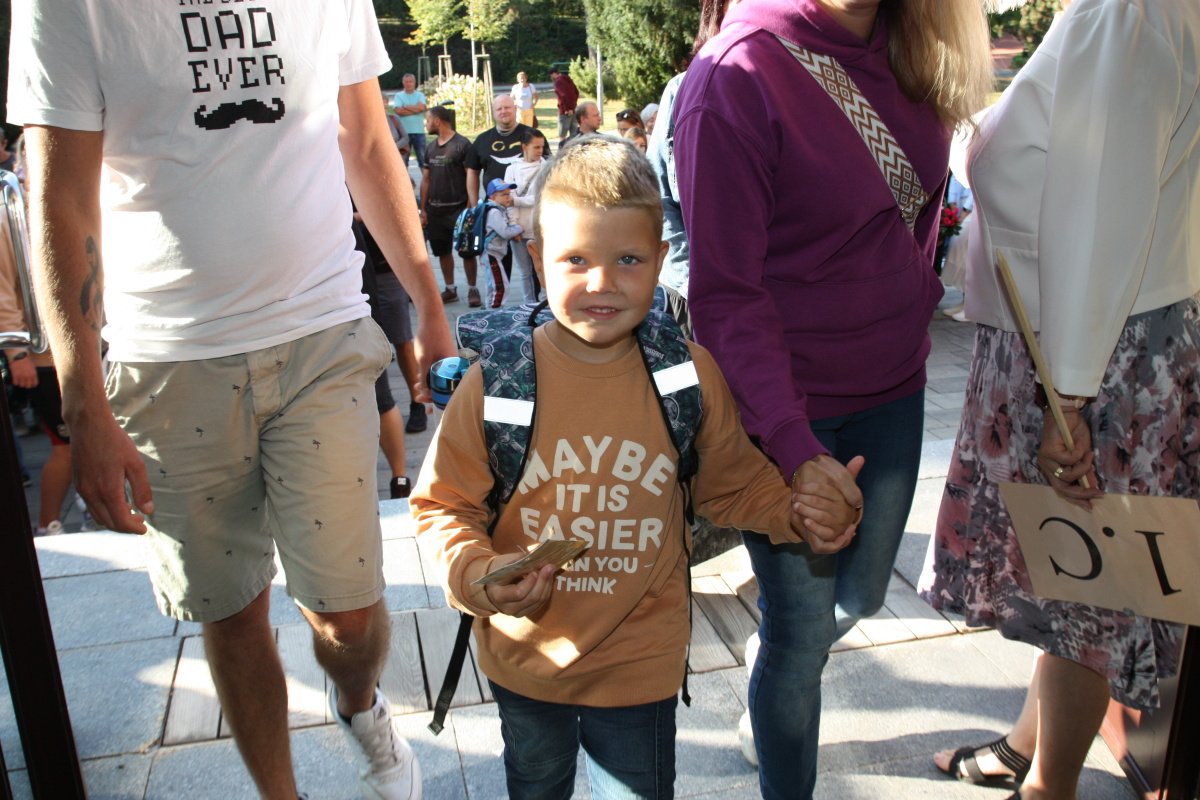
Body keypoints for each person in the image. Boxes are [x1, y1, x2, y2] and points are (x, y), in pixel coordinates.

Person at [9, 2, 458, 797]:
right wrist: (83, 403)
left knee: (349, 615)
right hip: (168, 356)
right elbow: (62, 194)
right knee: (233, 611)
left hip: (320, 331)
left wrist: (428, 300)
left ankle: (360, 707)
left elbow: (363, 138)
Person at [410, 134, 856, 800]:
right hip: (525, 658)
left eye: (627, 259)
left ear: (659, 261)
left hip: (641, 663)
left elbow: (735, 487)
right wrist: (477, 574)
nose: (602, 283)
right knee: (536, 782)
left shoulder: (688, 375)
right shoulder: (497, 384)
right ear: (537, 256)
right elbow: (443, 505)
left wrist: (801, 511)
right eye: (576, 259)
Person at [672, 1, 993, 797]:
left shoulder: (918, 44)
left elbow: (915, 217)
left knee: (864, 595)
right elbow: (725, 295)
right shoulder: (737, 75)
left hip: (896, 388)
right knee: (801, 633)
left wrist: (912, 296)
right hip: (789, 407)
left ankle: (780, 649)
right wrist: (791, 442)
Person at [919, 1, 1200, 798]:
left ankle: (1050, 786)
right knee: (1073, 574)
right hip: (1102, 338)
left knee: (1089, 584)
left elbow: (1099, 211)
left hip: (1091, 352)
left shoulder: (1127, 10)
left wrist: (1067, 398)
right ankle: (1030, 746)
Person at [650, 0, 741, 338]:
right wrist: (692, 281)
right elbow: (658, 198)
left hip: (784, 300)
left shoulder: (797, 92)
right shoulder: (682, 91)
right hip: (692, 296)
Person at [422, 105, 481, 307]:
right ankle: (450, 289)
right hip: (435, 211)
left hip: (459, 209)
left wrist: (470, 208)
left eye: (427, 120)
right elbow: (426, 180)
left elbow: (471, 177)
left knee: (467, 251)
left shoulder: (462, 145)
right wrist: (424, 209)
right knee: (442, 251)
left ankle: (473, 289)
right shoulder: (430, 148)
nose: (426, 124)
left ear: (437, 121)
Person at [502, 128, 548, 304]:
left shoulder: (546, 168)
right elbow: (508, 199)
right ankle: (529, 304)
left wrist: (517, 201)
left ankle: (545, 302)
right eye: (536, 147)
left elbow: (541, 198)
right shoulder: (512, 169)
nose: (540, 151)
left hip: (539, 228)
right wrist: (513, 226)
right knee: (525, 272)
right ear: (524, 147)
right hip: (519, 228)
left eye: (542, 147)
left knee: (543, 267)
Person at [480, 179, 524, 309]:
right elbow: (505, 232)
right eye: (504, 194)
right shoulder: (494, 212)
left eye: (509, 193)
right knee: (501, 287)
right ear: (492, 197)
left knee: (492, 285)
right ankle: (496, 313)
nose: (508, 197)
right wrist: (520, 227)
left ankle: (489, 312)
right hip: (491, 253)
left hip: (491, 253)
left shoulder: (497, 209)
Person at [392, 73, 428, 169]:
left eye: (410, 81)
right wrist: (416, 109)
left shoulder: (420, 95)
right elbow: (398, 111)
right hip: (404, 133)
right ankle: (405, 179)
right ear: (403, 83)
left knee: (423, 159)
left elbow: (422, 108)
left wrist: (406, 106)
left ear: (414, 82)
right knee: (403, 160)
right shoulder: (398, 96)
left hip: (419, 132)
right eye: (406, 82)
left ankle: (425, 179)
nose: (408, 84)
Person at [548, 67, 579, 144]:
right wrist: (573, 106)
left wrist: (567, 109)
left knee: (562, 135)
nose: (551, 78)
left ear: (554, 74)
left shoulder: (558, 82)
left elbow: (563, 96)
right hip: (574, 109)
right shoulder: (568, 79)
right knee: (574, 134)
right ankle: (574, 149)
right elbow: (576, 92)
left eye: (550, 75)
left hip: (565, 111)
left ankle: (562, 149)